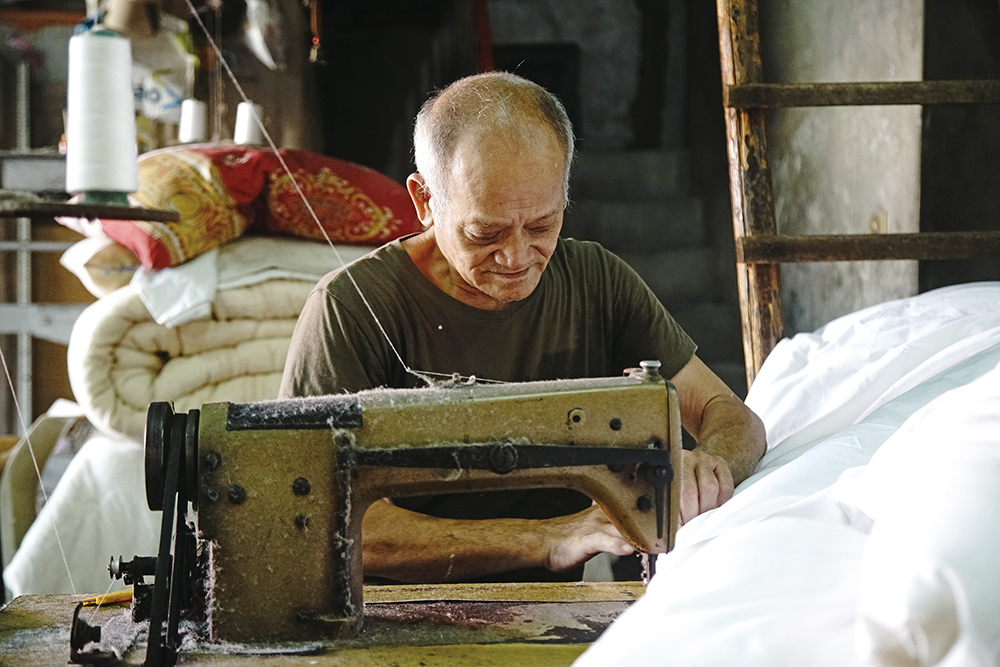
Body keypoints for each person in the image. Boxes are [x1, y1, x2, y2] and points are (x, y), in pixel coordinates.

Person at [279, 71, 766, 584]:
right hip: (392, 614)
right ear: (425, 202)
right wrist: (550, 539)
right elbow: (314, 517)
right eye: (484, 232)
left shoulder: (595, 281)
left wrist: (705, 469)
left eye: (542, 226)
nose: (516, 258)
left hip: (553, 612)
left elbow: (731, 416)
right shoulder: (349, 309)